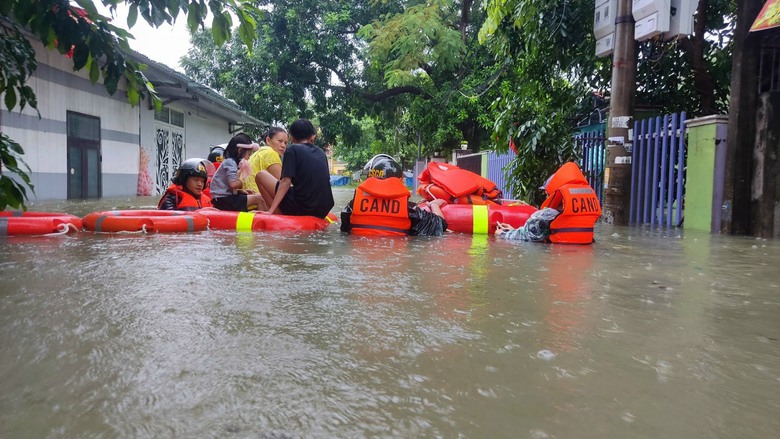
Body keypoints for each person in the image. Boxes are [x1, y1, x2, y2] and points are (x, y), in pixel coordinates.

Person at [340, 154, 449, 236]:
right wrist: (434, 205)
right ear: (399, 180)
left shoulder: (353, 205)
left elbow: (344, 230)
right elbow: (440, 225)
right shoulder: (408, 209)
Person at [255, 119, 334, 218]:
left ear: (292, 138)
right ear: (312, 137)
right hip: (323, 209)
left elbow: (285, 182)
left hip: (304, 207)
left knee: (261, 175)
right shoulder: (321, 152)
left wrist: (270, 210)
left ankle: (275, 213)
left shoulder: (292, 149)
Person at [209, 133, 268, 212]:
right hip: (223, 200)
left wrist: (241, 191)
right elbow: (233, 184)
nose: (249, 157)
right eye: (249, 154)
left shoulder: (230, 162)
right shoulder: (230, 162)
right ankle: (264, 221)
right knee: (260, 199)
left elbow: (226, 185)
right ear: (240, 150)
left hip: (222, 198)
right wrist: (242, 180)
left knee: (258, 196)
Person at [242, 127, 288, 193]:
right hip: (259, 199)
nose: (283, 145)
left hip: (249, 198)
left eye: (285, 143)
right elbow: (283, 184)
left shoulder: (257, 153)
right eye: (280, 141)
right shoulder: (271, 154)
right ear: (268, 140)